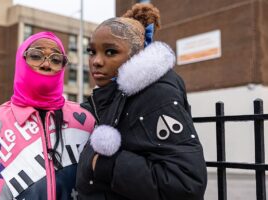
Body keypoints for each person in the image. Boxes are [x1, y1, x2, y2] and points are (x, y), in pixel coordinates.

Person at [0, 32, 95, 200]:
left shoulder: (85, 120)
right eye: (36, 56)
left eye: (56, 60)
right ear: (21, 60)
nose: (46, 64)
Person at [76, 3, 207, 200]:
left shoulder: (156, 95)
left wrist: (105, 165)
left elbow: (186, 183)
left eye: (110, 52)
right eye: (91, 51)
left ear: (137, 55)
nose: (96, 61)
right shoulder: (113, 95)